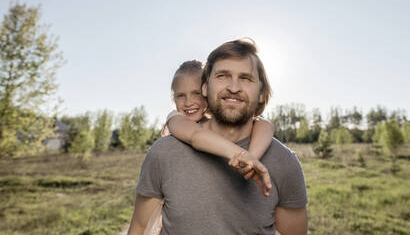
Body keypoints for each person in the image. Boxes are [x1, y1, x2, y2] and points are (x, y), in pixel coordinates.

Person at [128, 39, 308, 235]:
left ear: (262, 93)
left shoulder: (284, 162)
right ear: (205, 87)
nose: (233, 87)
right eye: (222, 76)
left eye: (246, 78)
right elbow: (139, 228)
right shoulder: (164, 152)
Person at [141, 60, 276, 234]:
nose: (188, 102)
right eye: (180, 95)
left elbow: (266, 125)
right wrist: (240, 154)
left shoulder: (216, 121)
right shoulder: (176, 119)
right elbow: (196, 136)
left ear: (206, 91)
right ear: (173, 98)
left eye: (196, 93)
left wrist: (252, 157)